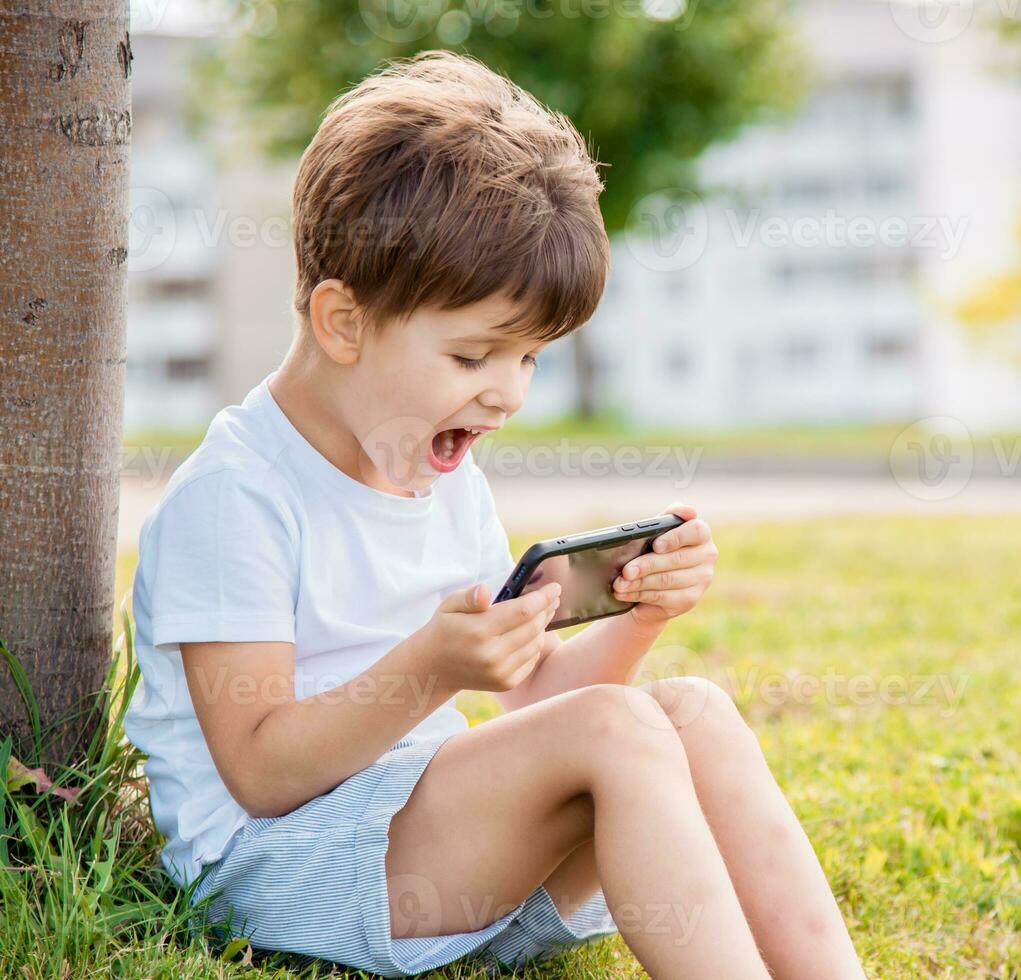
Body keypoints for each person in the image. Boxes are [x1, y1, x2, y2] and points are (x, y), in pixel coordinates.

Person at [121, 50, 866, 979]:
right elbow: (262, 773)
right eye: (475, 357)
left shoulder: (441, 472)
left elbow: (537, 702)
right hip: (282, 866)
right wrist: (431, 667)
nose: (507, 396)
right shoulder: (238, 497)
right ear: (342, 322)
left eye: (531, 360)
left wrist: (638, 615)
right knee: (617, 730)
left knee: (694, 714)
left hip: (435, 853)